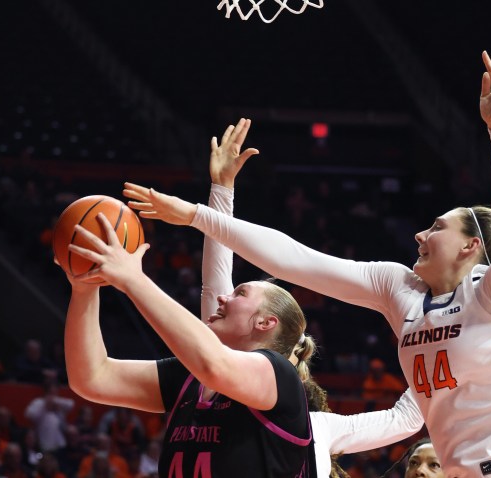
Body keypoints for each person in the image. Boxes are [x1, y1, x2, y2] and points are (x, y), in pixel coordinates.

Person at [122, 47, 491, 477]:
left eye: (436, 227)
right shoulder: (400, 288)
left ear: (472, 248)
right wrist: (198, 214)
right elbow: (296, 260)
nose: (420, 234)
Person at [125, 118, 427, 478]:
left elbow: (215, 290)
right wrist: (221, 190)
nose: (225, 304)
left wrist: (443, 352)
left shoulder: (315, 423)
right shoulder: (228, 379)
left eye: (241, 297)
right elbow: (217, 292)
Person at [61, 119, 316, 477]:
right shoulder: (190, 378)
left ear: (266, 322)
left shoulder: (279, 377)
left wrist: (134, 278)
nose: (224, 298)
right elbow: (92, 377)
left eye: (241, 293)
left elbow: (215, 362)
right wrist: (84, 287)